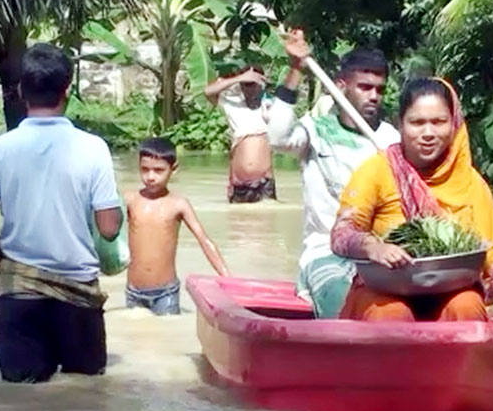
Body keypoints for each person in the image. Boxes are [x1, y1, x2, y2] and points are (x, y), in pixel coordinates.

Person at [329, 77, 493, 335]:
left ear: (453, 124)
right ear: (400, 124)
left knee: (466, 307)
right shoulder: (376, 170)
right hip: (383, 290)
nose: (428, 133)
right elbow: (342, 233)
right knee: (391, 314)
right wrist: (372, 247)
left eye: (439, 122)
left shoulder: (471, 183)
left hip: (451, 290)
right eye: (417, 123)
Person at [0, 43, 123, 383]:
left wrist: (17, 269)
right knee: (84, 405)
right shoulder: (94, 148)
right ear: (67, 90)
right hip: (78, 296)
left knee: (21, 408)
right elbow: (109, 228)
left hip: (18, 295)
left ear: (21, 90)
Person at [268, 30, 401, 318]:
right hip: (326, 254)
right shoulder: (315, 131)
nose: (374, 96)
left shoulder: (392, 141)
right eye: (365, 87)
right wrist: (295, 70)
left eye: (380, 89)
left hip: (380, 255)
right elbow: (277, 138)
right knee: (344, 296)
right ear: (341, 86)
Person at [125, 137, 230, 314]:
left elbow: (203, 239)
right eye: (145, 170)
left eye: (158, 171)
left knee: (167, 336)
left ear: (174, 169)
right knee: (137, 337)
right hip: (133, 292)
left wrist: (227, 278)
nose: (150, 177)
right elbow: (107, 234)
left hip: (166, 293)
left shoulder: (179, 204)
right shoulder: (129, 200)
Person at [205, 65, 276, 203]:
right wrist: (239, 78)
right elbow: (208, 92)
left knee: (268, 219)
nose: (250, 88)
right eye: (246, 84)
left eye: (253, 84)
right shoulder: (232, 105)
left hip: (264, 182)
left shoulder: (270, 107)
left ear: (261, 85)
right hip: (239, 182)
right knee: (237, 221)